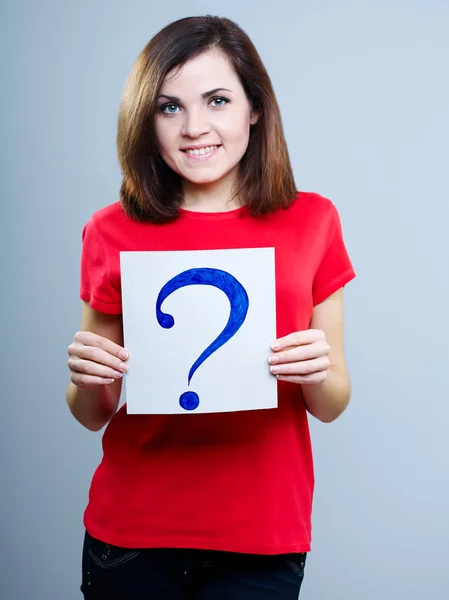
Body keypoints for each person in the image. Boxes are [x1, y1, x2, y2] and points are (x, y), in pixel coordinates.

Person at [66, 15, 356, 600]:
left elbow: (332, 403)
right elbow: (93, 411)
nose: (194, 127)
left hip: (262, 536)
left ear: (254, 107)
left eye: (217, 100)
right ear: (146, 119)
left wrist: (317, 372)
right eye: (169, 107)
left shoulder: (313, 220)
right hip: (133, 533)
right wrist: (86, 376)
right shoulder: (110, 230)